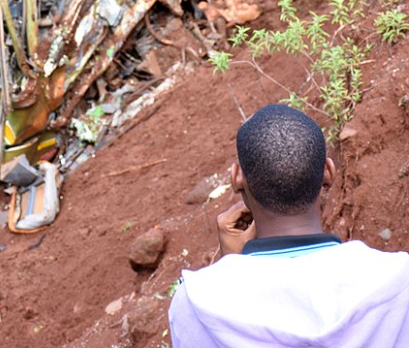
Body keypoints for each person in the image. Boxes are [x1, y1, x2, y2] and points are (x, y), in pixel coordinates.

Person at [169, 104, 409, 347]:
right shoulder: (400, 281)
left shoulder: (195, 304)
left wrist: (230, 264)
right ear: (328, 172)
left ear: (237, 178)